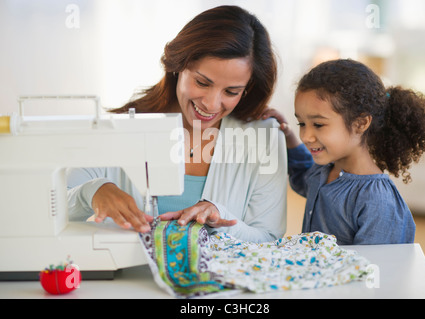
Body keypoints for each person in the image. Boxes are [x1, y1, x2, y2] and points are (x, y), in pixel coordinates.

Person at [67, 5, 287, 243]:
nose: (212, 104)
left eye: (231, 91)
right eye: (202, 83)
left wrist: (222, 219)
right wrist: (92, 191)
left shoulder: (264, 139)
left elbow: (269, 239)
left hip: (221, 280)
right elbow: (55, 205)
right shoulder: (120, 129)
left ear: (248, 89)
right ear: (179, 65)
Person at [262, 59, 425, 245]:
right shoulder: (324, 171)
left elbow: (380, 266)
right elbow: (302, 175)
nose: (306, 136)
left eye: (318, 124)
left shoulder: (378, 202)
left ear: (361, 123)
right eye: (301, 124)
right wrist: (288, 135)